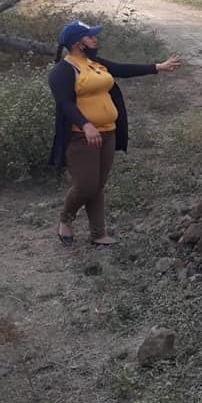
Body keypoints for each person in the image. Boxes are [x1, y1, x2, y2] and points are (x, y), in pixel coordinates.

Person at [49, 20, 180, 246]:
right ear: (78, 43)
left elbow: (122, 69)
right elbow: (65, 104)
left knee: (98, 186)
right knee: (86, 185)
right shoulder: (62, 71)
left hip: (108, 132)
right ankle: (65, 220)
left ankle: (98, 234)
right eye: (90, 37)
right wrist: (86, 125)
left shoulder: (94, 63)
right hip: (81, 137)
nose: (95, 40)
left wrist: (158, 67)